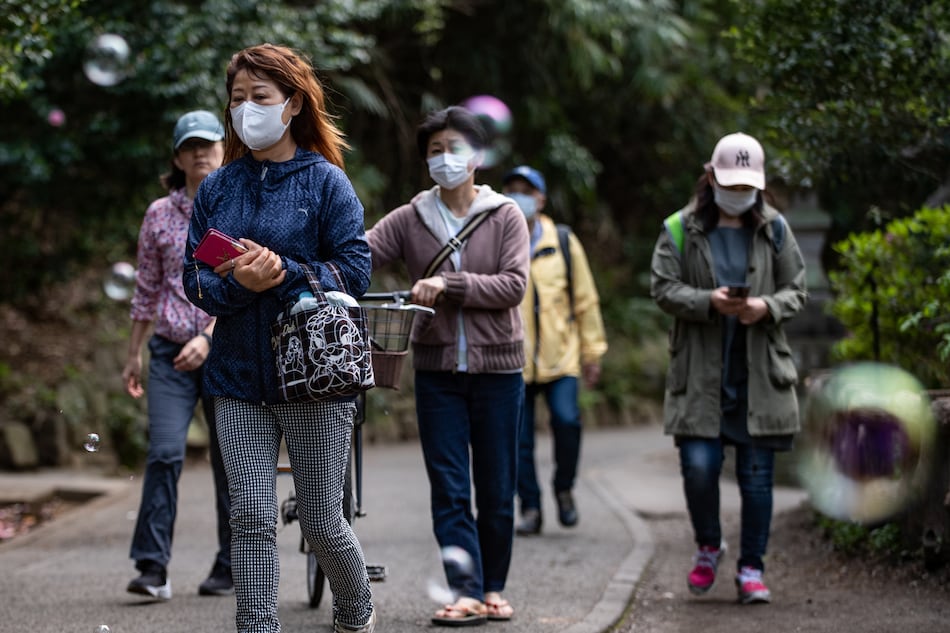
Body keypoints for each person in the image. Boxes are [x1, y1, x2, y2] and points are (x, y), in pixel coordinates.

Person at [181, 44, 376, 633]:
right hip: (235, 378)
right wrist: (241, 283)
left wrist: (284, 271)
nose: (246, 110)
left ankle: (356, 612)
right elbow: (194, 279)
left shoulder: (327, 183)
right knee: (250, 517)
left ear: (292, 104)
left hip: (315, 376)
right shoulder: (218, 188)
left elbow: (356, 271)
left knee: (321, 521)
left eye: (259, 98)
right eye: (237, 99)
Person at [366, 105, 529, 626]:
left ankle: (493, 585)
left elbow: (513, 286)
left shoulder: (506, 215)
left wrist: (449, 285)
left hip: (499, 372)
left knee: (498, 487)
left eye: (454, 148)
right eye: (434, 151)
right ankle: (467, 591)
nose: (443, 159)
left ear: (477, 156)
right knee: (450, 486)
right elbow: (359, 254)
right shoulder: (411, 218)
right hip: (437, 372)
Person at [649, 132, 807, 604]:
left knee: (757, 479)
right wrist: (708, 302)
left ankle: (752, 568)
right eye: (730, 182)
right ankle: (708, 545)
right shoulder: (680, 228)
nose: (738, 193)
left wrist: (766, 306)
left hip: (759, 376)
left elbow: (797, 290)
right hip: (700, 376)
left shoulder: (775, 229)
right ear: (711, 176)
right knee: (699, 468)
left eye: (747, 186)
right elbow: (661, 287)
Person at [123, 109, 232, 601]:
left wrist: (209, 336)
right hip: (168, 353)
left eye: (209, 143)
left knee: (232, 460)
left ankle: (233, 563)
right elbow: (146, 288)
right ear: (178, 157)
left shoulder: (237, 206)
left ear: (224, 149)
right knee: (165, 452)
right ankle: (152, 567)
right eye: (191, 146)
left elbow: (244, 287)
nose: (201, 153)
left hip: (228, 349)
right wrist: (134, 354)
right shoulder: (158, 215)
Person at [501, 165, 608, 535]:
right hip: (513, 358)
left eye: (526, 190)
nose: (519, 196)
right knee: (519, 439)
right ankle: (530, 507)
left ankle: (564, 488)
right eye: (512, 189)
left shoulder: (562, 240)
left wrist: (592, 352)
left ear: (541, 199)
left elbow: (586, 300)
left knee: (567, 421)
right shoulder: (500, 237)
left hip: (560, 358)